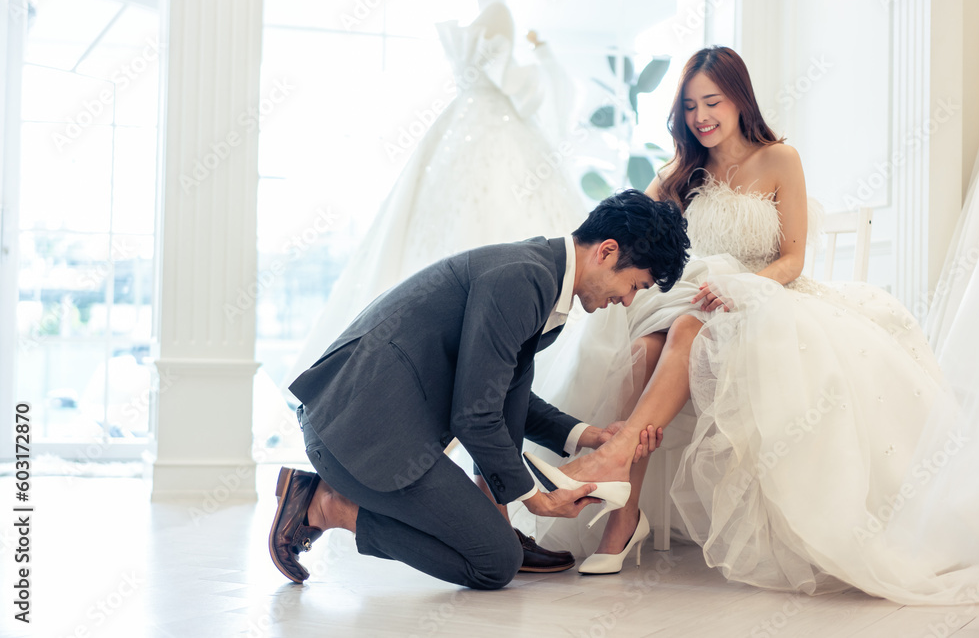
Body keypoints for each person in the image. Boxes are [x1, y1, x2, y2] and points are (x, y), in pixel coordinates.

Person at [531, 46, 979, 605]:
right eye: (689, 106)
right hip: (691, 298)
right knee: (644, 351)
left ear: (738, 99)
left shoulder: (780, 159)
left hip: (763, 295)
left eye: (713, 101)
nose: (701, 116)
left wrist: (741, 288)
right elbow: (628, 226)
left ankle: (613, 462)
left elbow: (793, 259)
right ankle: (624, 515)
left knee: (684, 330)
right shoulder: (679, 171)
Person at [267, 190, 690, 590]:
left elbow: (499, 393)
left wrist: (586, 434)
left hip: (368, 430)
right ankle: (326, 505)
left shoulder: (541, 277)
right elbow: (474, 415)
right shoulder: (524, 279)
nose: (629, 300)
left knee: (496, 549)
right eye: (635, 285)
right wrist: (534, 499)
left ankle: (491, 529)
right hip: (358, 437)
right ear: (607, 251)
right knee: (494, 564)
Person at [283, 0, 587, 389]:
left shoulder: (497, 10)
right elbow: (519, 83)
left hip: (480, 126)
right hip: (467, 129)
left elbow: (512, 79)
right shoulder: (493, 10)